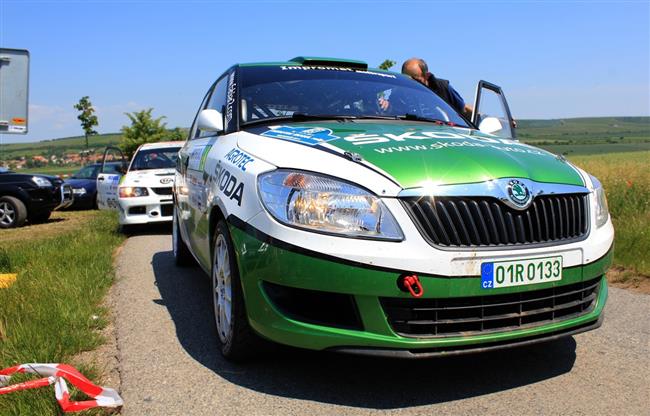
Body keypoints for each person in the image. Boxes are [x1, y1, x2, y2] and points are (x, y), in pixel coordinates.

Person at [380, 58, 473, 118]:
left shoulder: (442, 87)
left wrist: (482, 119)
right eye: (408, 81)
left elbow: (463, 109)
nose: (412, 86)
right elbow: (393, 111)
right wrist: (387, 105)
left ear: (427, 76)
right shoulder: (398, 93)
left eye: (417, 81)